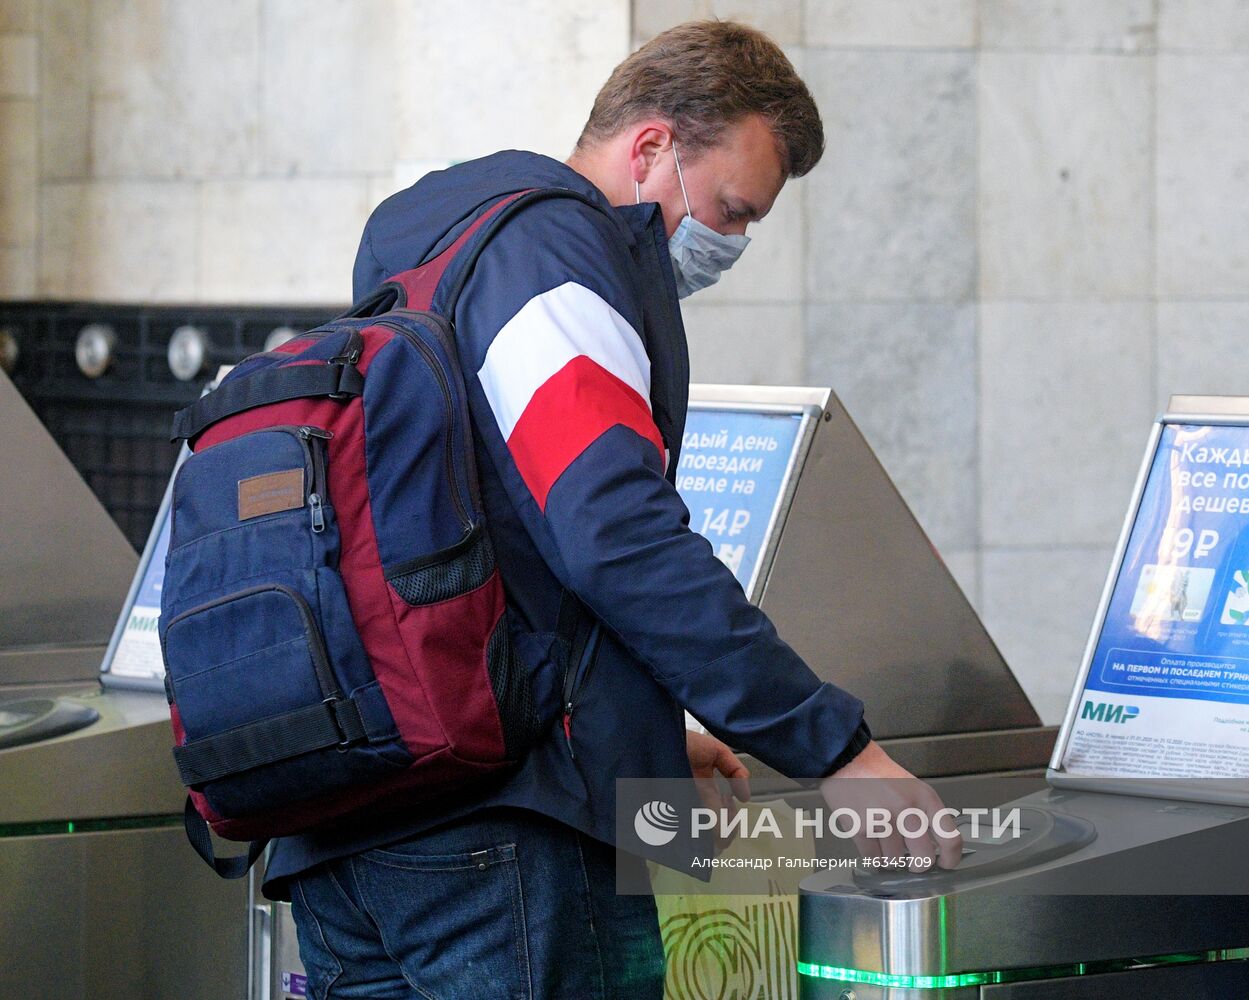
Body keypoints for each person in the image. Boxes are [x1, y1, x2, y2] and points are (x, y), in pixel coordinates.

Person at [268, 20, 960, 999]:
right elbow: (615, 533)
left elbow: (469, 546)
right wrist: (838, 751)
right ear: (650, 147)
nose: (731, 241)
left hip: (353, 808)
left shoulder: (428, 240)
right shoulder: (551, 253)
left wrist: (626, 723)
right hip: (498, 847)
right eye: (727, 206)